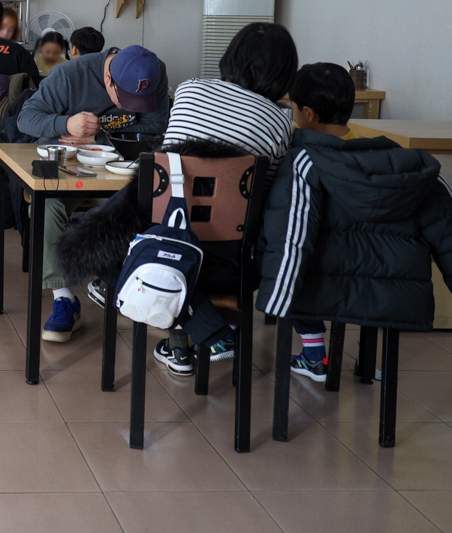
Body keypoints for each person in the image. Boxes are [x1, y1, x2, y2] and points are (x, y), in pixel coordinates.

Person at [258, 65, 452, 385]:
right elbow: (445, 230)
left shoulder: (303, 162)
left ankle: (312, 350)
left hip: (321, 286)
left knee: (291, 258)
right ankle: (367, 365)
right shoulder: (396, 161)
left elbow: (287, 238)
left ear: (307, 113)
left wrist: (274, 298)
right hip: (392, 293)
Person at [148, 22, 297, 374]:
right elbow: (262, 193)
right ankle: (213, 331)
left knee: (112, 254)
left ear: (231, 56)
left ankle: (190, 337)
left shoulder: (189, 90)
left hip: (167, 245)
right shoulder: (280, 121)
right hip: (232, 260)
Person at [17, 43, 170, 342]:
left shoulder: (155, 72)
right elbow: (26, 117)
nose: (130, 108)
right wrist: (65, 123)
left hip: (122, 167)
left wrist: (97, 137)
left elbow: (155, 123)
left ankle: (125, 282)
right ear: (109, 79)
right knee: (45, 205)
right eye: (124, 98)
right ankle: (64, 298)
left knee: (148, 205)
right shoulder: (70, 75)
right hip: (65, 161)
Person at [270, 62, 359, 380]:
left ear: (308, 113)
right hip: (363, 268)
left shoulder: (300, 156)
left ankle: (312, 352)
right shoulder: (365, 148)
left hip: (310, 265)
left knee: (281, 249)